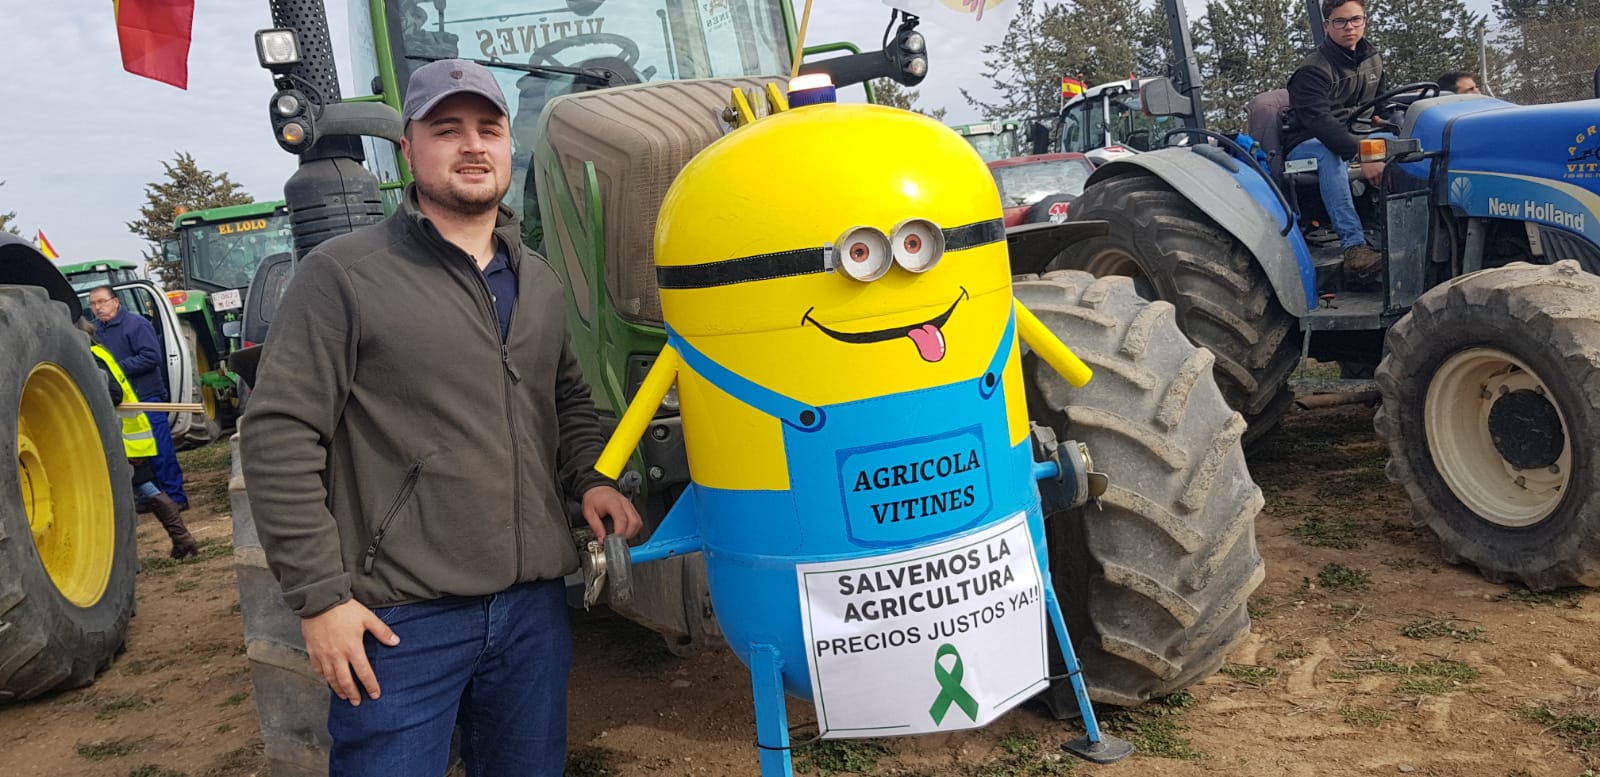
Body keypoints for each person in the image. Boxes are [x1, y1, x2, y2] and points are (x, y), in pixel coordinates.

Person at [240, 58, 642, 777]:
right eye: (447, 129)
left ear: (509, 146)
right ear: (408, 148)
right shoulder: (343, 277)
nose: (472, 146)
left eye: (488, 129)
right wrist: (321, 598)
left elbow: (568, 398)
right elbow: (279, 435)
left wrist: (591, 478)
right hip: (402, 623)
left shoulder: (540, 278)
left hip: (530, 615)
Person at [81, 319, 198, 559]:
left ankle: (180, 539)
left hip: (122, 437)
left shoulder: (92, 357)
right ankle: (182, 538)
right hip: (131, 434)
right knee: (146, 487)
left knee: (142, 488)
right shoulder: (99, 350)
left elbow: (114, 393)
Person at [1284, 0, 1386, 273]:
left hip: (1358, 136)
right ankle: (1354, 247)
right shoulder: (1312, 70)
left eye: (1355, 19)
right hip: (1306, 144)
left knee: (1409, 143)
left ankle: (1401, 232)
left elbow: (1382, 108)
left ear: (1365, 21)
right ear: (1327, 25)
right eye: (1340, 21)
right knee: (1329, 153)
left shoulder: (1372, 59)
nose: (1349, 27)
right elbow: (1321, 123)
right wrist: (1364, 153)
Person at [89, 286, 189, 508]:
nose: (98, 308)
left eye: (102, 302)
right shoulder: (96, 333)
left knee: (160, 451)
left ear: (116, 302)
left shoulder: (136, 325)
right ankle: (153, 498)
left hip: (146, 397)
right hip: (122, 401)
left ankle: (176, 497)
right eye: (93, 304)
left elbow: (151, 357)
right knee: (138, 452)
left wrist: (114, 370)